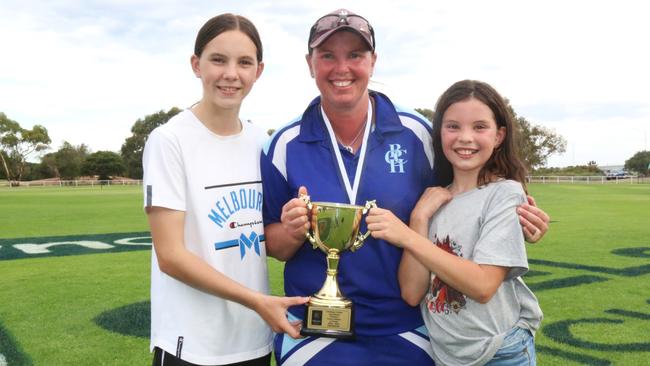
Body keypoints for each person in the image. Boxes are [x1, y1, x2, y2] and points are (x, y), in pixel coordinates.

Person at [261, 9, 549, 365]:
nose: (342, 68)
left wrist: (518, 217)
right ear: (310, 63)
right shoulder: (284, 143)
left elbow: (467, 191)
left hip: (408, 321)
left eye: (355, 55)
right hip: (314, 326)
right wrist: (292, 231)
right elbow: (274, 246)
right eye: (327, 56)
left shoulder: (418, 133)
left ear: (373, 61)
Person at [143, 13, 308, 366]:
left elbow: (273, 242)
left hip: (253, 339)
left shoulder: (261, 142)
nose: (231, 74)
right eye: (218, 59)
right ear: (196, 64)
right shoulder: (169, 140)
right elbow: (171, 256)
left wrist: (296, 226)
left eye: (244, 62)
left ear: (258, 71)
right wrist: (256, 300)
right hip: (191, 345)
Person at [366, 79, 543, 365]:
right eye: (453, 126)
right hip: (447, 356)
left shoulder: (505, 193)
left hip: (499, 352)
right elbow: (412, 293)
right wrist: (419, 218)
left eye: (479, 127)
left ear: (499, 136)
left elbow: (483, 286)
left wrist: (407, 236)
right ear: (439, 133)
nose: (465, 137)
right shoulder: (431, 200)